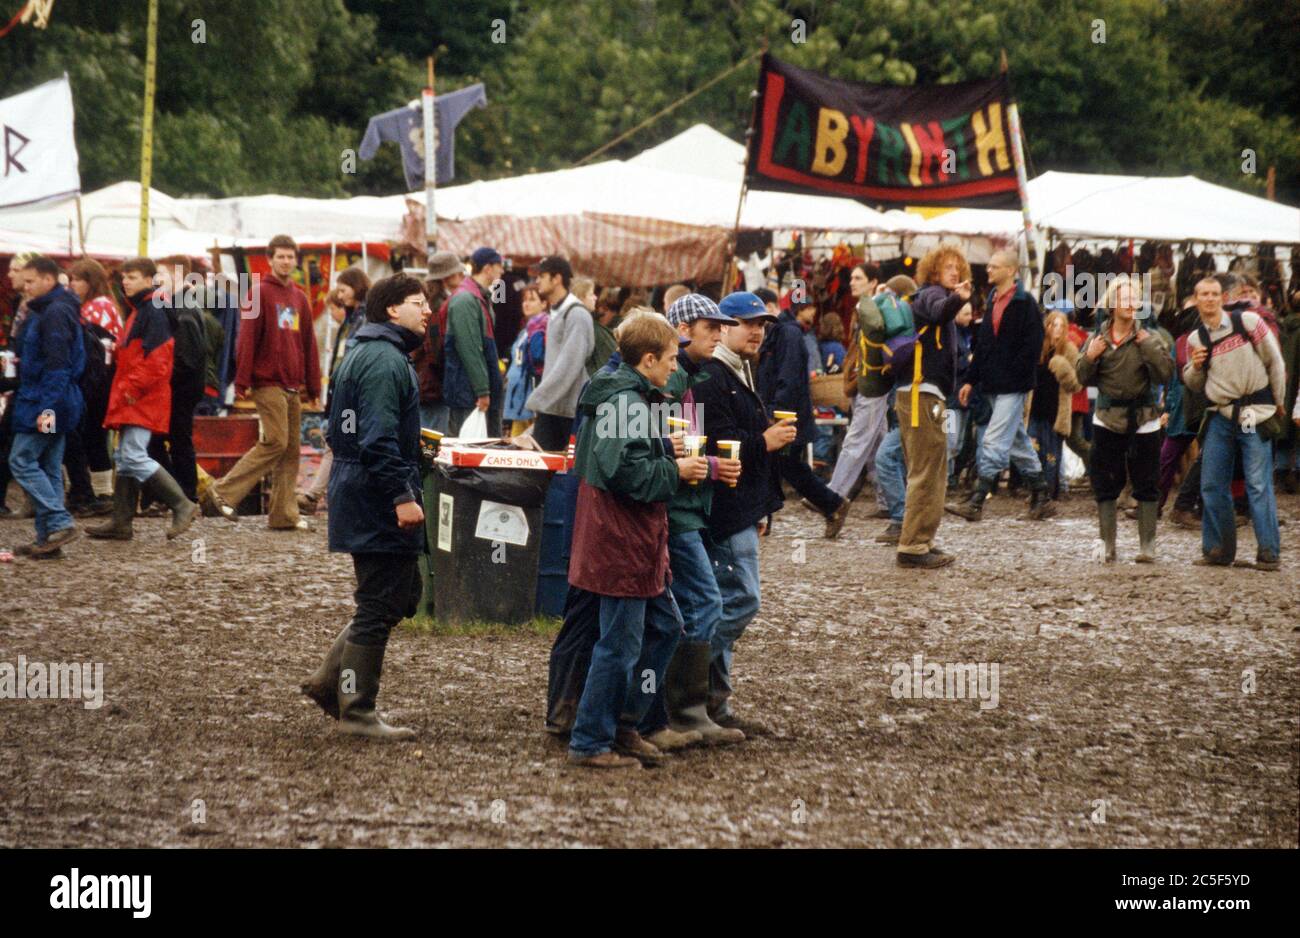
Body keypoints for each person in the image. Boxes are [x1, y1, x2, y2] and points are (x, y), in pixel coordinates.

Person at [565, 314, 699, 769]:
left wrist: (663, 449)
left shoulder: (631, 397)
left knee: (664, 627)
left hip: (636, 540)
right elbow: (624, 472)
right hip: (620, 540)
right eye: (670, 358)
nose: (675, 367)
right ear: (647, 361)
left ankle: (626, 723)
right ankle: (590, 741)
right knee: (618, 645)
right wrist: (674, 471)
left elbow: (624, 456)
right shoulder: (624, 403)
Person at [300, 274, 429, 740]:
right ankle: (357, 711)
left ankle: (327, 681)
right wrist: (402, 496)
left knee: (399, 595)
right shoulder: (382, 360)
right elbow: (376, 440)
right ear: (392, 310)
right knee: (379, 603)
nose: (428, 311)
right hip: (376, 495)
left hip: (362, 489)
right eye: (419, 302)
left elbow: (351, 433)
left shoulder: (372, 351)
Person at [642, 294, 746, 749]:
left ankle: (684, 708)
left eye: (723, 327)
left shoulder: (688, 376)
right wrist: (713, 468)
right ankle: (687, 711)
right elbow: (666, 448)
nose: (720, 334)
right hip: (679, 511)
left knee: (687, 606)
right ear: (683, 329)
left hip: (687, 509)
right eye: (711, 326)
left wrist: (712, 467)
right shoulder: (672, 381)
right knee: (705, 602)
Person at [694, 292, 795, 734]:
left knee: (725, 599)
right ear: (722, 327)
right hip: (725, 509)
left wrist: (763, 505)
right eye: (747, 323)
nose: (757, 331)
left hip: (741, 507)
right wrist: (765, 442)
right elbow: (715, 446)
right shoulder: (711, 378)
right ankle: (685, 685)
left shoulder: (739, 371)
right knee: (740, 600)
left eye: (763, 324)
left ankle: (715, 706)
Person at [200, 235, 320, 529]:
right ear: (270, 259)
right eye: (280, 256)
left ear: (296, 260)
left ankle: (283, 514)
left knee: (290, 451)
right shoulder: (257, 293)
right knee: (276, 441)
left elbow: (309, 343)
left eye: (290, 257)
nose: (286, 262)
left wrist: (314, 386)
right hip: (267, 382)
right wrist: (242, 380)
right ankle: (221, 493)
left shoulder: (300, 298)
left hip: (293, 385)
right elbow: (246, 339)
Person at [87, 257, 199, 541]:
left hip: (141, 398)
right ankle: (121, 521)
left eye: (133, 277)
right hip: (136, 396)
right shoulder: (143, 309)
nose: (126, 281)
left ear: (150, 280)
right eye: (124, 277)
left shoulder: (153, 311)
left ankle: (182, 503)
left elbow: (158, 362)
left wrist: (129, 391)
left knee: (133, 455)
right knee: (125, 458)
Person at [1183, 274, 1286, 570]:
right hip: (1221, 413)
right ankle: (1218, 550)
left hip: (1253, 411)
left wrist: (1278, 401)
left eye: (1215, 294)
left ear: (1223, 297)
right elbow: (1192, 382)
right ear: (1196, 299)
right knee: (1212, 483)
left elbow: (1275, 362)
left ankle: (1269, 552)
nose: (1210, 299)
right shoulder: (1196, 339)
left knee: (1257, 483)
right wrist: (1196, 365)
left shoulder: (1249, 323)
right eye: (1204, 294)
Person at [947, 250, 1053, 522]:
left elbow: (1032, 346)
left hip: (1013, 385)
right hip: (994, 384)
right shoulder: (993, 299)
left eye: (994, 266)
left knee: (993, 439)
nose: (989, 270)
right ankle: (1041, 493)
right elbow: (983, 346)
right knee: (1016, 441)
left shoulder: (1025, 303)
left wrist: (1014, 375)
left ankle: (977, 499)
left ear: (1010, 270)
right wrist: (971, 379)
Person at [1076, 275, 1173, 563]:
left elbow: (1166, 374)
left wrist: (1149, 348)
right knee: (1105, 482)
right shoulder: (1098, 339)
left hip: (1144, 419)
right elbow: (1080, 377)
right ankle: (1108, 544)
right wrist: (1090, 357)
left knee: (1146, 482)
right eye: (1125, 298)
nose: (1131, 304)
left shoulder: (1150, 338)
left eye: (1135, 298)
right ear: (1111, 304)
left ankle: (1147, 546)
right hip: (1107, 418)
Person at [895, 244, 972, 568]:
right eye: (948, 266)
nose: (955, 271)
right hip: (920, 394)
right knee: (926, 471)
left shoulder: (938, 295)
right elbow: (940, 311)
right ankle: (912, 545)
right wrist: (958, 298)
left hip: (930, 395)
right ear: (933, 270)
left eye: (959, 267)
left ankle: (923, 539)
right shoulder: (930, 293)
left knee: (936, 469)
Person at [4, 256, 85, 558]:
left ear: (48, 280)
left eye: (30, 281)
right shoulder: (51, 309)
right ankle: (48, 538)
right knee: (49, 466)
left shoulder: (54, 313)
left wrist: (47, 409)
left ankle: (60, 522)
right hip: (53, 400)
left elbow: (57, 366)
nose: (24, 287)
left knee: (21, 460)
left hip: (46, 401)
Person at [756, 288, 850, 538]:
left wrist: (776, 414)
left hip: (787, 417)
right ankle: (831, 505)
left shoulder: (786, 333)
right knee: (783, 466)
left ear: (770, 307)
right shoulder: (781, 332)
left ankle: (833, 504)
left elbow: (788, 377)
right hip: (784, 415)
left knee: (785, 466)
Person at [827, 267, 902, 507]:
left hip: (874, 384)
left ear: (873, 282)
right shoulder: (862, 308)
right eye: (851, 278)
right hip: (865, 382)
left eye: (858, 278)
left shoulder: (876, 307)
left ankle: (832, 496)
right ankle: (888, 501)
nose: (851, 282)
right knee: (877, 444)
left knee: (856, 441)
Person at [143, 256, 207, 505]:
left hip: (180, 388)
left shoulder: (184, 309)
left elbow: (186, 357)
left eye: (161, 274)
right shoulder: (177, 305)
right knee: (167, 441)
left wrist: (162, 381)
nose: (157, 281)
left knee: (173, 441)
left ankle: (181, 494)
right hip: (180, 386)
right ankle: (176, 494)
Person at [64, 258, 124, 516]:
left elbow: (99, 351)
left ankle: (100, 493)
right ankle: (100, 492)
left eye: (77, 279)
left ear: (91, 282)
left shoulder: (98, 308)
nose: (72, 284)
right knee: (94, 437)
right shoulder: (101, 306)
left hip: (97, 381)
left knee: (91, 436)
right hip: (100, 380)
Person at [526, 256, 593, 451]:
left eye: (542, 276)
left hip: (567, 412)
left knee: (559, 473)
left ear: (556, 279)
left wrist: (539, 398)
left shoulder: (576, 314)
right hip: (553, 407)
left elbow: (569, 364)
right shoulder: (557, 311)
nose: (537, 281)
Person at [297, 290, 352, 514]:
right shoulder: (347, 329)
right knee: (336, 444)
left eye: (332, 309)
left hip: (348, 401)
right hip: (342, 399)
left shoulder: (352, 329)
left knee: (340, 444)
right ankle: (316, 495)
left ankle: (319, 496)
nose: (331, 314)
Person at [443, 247, 503, 437]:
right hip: (467, 393)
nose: (502, 271)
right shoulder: (466, 299)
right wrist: (482, 390)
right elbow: (470, 349)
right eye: (499, 266)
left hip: (471, 391)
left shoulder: (478, 297)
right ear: (488, 268)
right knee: (468, 451)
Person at [1026, 311, 1081, 502]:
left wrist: (1063, 368)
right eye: (1052, 324)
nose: (1056, 329)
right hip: (1035, 409)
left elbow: (1076, 384)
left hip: (1055, 411)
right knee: (1033, 452)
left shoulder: (1070, 350)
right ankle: (1035, 490)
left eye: (1060, 325)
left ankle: (1048, 493)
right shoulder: (1038, 348)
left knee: (1051, 456)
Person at [411, 250, 465, 433]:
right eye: (457, 272)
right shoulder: (439, 306)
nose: (461, 276)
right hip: (433, 385)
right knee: (431, 443)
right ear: (447, 276)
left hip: (422, 380)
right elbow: (435, 351)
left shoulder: (425, 301)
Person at [502, 281, 548, 436]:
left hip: (529, 393)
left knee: (524, 441)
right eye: (525, 300)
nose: (526, 304)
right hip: (518, 394)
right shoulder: (525, 330)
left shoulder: (542, 328)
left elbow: (538, 359)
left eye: (532, 299)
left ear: (544, 304)